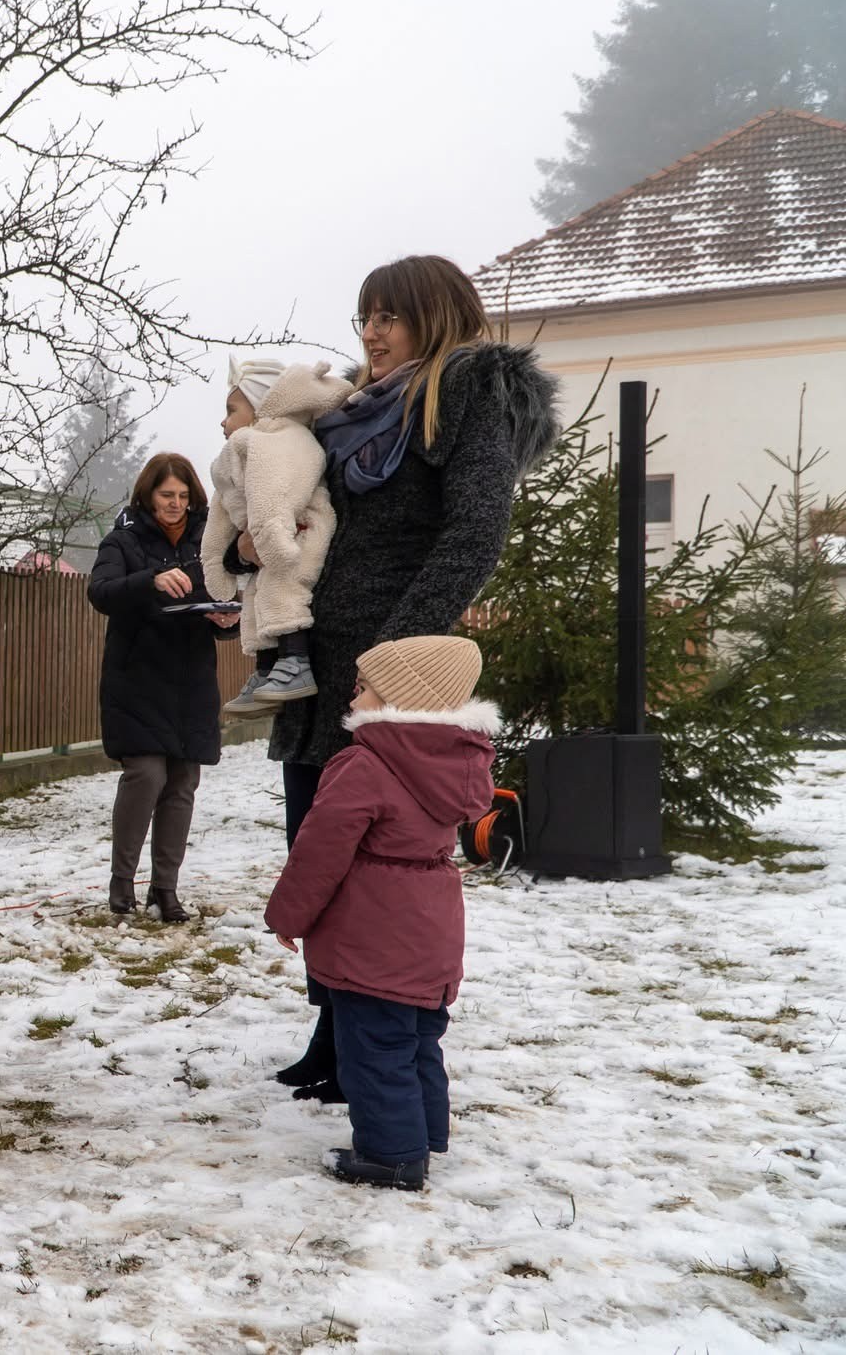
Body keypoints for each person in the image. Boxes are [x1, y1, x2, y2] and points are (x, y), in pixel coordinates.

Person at [229, 255, 558, 1104]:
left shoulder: (467, 392)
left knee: (374, 865)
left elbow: (474, 534)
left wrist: (391, 657)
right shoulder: (355, 416)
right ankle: (334, 1022)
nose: (370, 334)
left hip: (383, 676)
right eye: (363, 318)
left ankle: (368, 1042)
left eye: (389, 317)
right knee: (318, 845)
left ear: (436, 316)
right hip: (316, 657)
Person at [264, 635, 497, 1190]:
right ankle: (421, 1136)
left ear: (399, 699)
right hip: (432, 922)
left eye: (365, 686)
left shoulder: (366, 764)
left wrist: (287, 916)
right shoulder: (456, 760)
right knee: (418, 1038)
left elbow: (320, 851)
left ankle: (392, 1157)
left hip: (373, 929)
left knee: (373, 1047)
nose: (353, 692)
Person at [86, 453, 242, 923]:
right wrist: (150, 579)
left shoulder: (209, 543)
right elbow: (101, 592)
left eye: (182, 495)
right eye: (165, 495)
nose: (175, 504)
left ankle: (165, 890)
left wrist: (226, 618)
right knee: (146, 775)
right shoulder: (123, 539)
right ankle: (121, 886)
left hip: (191, 681)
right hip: (136, 680)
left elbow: (227, 599)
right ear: (148, 495)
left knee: (182, 783)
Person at [203, 357, 351, 712]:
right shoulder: (233, 457)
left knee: (283, 589)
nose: (224, 421)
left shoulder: (283, 441)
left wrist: (271, 538)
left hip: (299, 533)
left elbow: (274, 494)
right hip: (271, 542)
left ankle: (296, 662)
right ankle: (267, 669)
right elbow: (220, 513)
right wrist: (217, 560)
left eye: (232, 409)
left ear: (258, 409)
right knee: (256, 596)